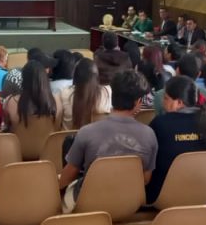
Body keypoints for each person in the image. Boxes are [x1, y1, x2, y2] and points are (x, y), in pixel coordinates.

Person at [59, 70, 157, 212]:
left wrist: (55, 189)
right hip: (129, 204)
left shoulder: (86, 132)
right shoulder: (149, 135)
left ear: (113, 96)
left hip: (90, 204)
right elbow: (146, 179)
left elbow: (68, 175)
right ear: (137, 102)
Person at [148, 76, 206, 205]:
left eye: (166, 99)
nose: (163, 103)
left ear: (179, 102)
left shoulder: (160, 124)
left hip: (164, 197)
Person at [3, 61, 61, 131]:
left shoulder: (10, 102)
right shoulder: (57, 102)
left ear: (23, 79)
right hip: (48, 141)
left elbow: (7, 127)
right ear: (44, 78)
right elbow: (57, 128)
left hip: (19, 141)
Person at [59, 59, 112, 130]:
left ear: (75, 75)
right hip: (99, 139)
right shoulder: (107, 92)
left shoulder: (65, 92)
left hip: (70, 139)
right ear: (96, 75)